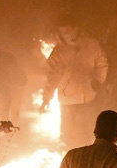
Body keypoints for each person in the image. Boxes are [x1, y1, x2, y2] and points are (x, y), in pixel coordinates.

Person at [41, 15, 108, 148]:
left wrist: (98, 82)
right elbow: (52, 76)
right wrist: (46, 98)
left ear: (76, 29)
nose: (64, 35)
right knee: (69, 136)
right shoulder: (59, 51)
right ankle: (71, 163)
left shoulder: (91, 44)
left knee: (89, 134)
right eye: (62, 32)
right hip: (68, 100)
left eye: (67, 31)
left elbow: (102, 63)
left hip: (89, 98)